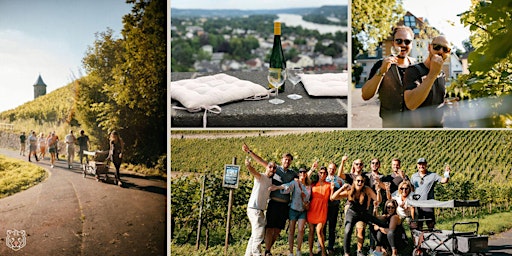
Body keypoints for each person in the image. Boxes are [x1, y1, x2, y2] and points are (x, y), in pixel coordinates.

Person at [243, 143, 296, 256]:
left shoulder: (292, 173)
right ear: (282, 160)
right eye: (285, 159)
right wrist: (249, 152)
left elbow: (301, 178)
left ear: (291, 162)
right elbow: (260, 161)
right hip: (272, 203)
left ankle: (259, 252)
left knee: (276, 230)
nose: (287, 162)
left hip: (283, 205)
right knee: (266, 229)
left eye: (289, 160)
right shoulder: (274, 171)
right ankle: (265, 251)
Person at [361, 26, 416, 127]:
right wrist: (381, 72)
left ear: (411, 44)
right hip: (390, 125)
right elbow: (366, 95)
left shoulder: (417, 67)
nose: (403, 45)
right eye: (399, 41)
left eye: (407, 42)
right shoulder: (380, 64)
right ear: (393, 43)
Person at [331, 174, 387, 256]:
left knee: (380, 224)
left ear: (364, 183)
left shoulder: (367, 189)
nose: (360, 182)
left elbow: (378, 200)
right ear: (354, 182)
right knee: (348, 230)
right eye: (358, 181)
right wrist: (342, 188)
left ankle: (382, 247)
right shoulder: (350, 190)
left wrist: (378, 191)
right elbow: (333, 197)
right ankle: (346, 253)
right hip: (352, 213)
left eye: (362, 181)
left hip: (363, 213)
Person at [403, 35, 451, 127]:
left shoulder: (442, 74)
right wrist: (432, 74)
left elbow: (433, 103)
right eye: (437, 47)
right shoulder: (413, 70)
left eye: (445, 49)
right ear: (429, 47)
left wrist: (445, 105)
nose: (440, 51)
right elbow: (411, 104)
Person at [269, 168, 311, 256]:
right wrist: (277, 187)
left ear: (306, 174)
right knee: (291, 231)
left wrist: (306, 201)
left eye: (304, 172)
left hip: (302, 210)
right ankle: (291, 252)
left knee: (300, 230)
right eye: (300, 172)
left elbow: (309, 198)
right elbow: (287, 186)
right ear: (298, 174)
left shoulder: (309, 186)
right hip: (293, 209)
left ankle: (298, 251)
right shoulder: (295, 183)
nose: (302, 174)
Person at [244, 158, 276, 256]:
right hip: (254, 208)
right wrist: (248, 166)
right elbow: (253, 171)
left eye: (274, 168)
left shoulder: (270, 181)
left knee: (255, 234)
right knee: (259, 232)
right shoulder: (261, 176)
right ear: (266, 167)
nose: (272, 169)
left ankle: (248, 254)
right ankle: (256, 253)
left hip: (260, 209)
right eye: (270, 166)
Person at [410, 158, 451, 230]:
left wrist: (447, 174)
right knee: (418, 226)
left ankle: (431, 239)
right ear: (417, 165)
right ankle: (420, 240)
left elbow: (444, 181)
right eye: (420, 164)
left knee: (430, 225)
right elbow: (412, 188)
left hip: (429, 204)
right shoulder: (413, 176)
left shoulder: (433, 175)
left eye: (423, 164)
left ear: (426, 165)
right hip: (417, 205)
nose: (421, 166)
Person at [307, 166, 332, 256]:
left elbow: (332, 197)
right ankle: (310, 252)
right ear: (318, 173)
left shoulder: (329, 185)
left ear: (326, 174)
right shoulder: (313, 184)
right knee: (311, 230)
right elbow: (305, 179)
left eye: (324, 173)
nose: (322, 174)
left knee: (319, 230)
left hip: (322, 209)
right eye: (321, 173)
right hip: (312, 209)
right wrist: (312, 169)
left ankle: (323, 251)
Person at [323, 162, 344, 255]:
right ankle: (321, 246)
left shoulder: (339, 180)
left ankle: (330, 247)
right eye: (330, 168)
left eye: (333, 169)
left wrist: (340, 188)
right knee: (322, 227)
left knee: (332, 227)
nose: (331, 170)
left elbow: (344, 189)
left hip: (334, 206)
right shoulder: (323, 178)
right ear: (328, 169)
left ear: (335, 170)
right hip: (323, 206)